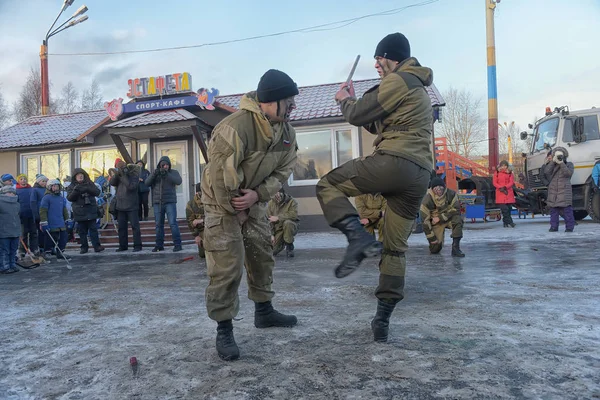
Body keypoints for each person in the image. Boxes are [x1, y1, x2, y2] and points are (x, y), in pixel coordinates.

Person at [316, 33, 433, 343]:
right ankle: (382, 318)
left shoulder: (399, 79)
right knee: (394, 247)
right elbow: (374, 121)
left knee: (328, 184)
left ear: (388, 57)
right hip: (419, 174)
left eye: (378, 60)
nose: (376, 66)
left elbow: (357, 114)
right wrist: (356, 102)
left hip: (395, 162)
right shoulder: (415, 87)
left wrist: (345, 101)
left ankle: (357, 239)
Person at [201, 69, 299, 361]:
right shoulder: (235, 127)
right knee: (226, 265)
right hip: (222, 203)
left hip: (253, 199)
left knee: (261, 256)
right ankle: (224, 328)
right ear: (269, 102)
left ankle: (264, 312)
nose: (293, 107)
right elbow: (220, 177)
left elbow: (285, 170)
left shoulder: (286, 131)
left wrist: (257, 196)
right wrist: (235, 210)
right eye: (288, 101)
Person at [145, 156, 183, 252]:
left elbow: (179, 181)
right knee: (158, 225)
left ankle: (178, 244)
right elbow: (146, 183)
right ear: (160, 165)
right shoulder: (156, 173)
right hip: (158, 202)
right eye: (163, 165)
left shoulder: (173, 172)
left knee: (173, 223)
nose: (165, 166)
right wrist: (154, 174)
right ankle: (159, 245)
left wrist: (167, 174)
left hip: (170, 201)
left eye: (166, 165)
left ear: (169, 165)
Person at [420, 177, 465, 257]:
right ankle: (435, 245)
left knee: (458, 220)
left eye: (441, 188)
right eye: (436, 189)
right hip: (435, 223)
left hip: (448, 219)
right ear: (432, 189)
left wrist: (440, 218)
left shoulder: (451, 194)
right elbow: (425, 221)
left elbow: (456, 209)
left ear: (444, 187)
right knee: (435, 250)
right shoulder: (427, 200)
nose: (439, 190)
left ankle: (455, 247)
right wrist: (432, 239)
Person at [67, 168, 105, 254]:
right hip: (79, 212)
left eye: (82, 175)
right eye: (78, 175)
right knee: (82, 231)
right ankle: (84, 247)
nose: (80, 176)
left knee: (93, 230)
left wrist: (88, 188)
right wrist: (76, 190)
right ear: (75, 177)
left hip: (91, 210)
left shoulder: (90, 183)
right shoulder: (71, 186)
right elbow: (70, 198)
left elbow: (97, 192)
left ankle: (97, 246)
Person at [109, 159, 143, 252]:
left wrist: (124, 176)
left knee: (135, 227)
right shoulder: (119, 176)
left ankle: (137, 245)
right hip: (120, 205)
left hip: (132, 205)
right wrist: (117, 174)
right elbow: (112, 183)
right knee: (121, 228)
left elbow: (131, 186)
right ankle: (123, 245)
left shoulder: (134, 175)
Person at [541, 147, 575, 232]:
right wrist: (553, 161)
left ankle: (569, 227)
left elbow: (568, 173)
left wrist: (561, 163)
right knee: (553, 210)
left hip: (564, 190)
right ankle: (554, 227)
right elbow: (546, 172)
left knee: (567, 211)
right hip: (553, 190)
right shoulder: (552, 165)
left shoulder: (569, 164)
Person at [40, 179, 71, 261]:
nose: (56, 188)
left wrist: (67, 219)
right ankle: (48, 252)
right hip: (51, 222)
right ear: (49, 187)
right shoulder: (46, 198)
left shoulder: (61, 198)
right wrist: (44, 222)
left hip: (60, 222)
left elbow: (64, 210)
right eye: (53, 186)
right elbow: (43, 210)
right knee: (50, 238)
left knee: (63, 237)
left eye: (57, 186)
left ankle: (60, 251)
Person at [267, 188, 299, 257]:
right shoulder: (270, 203)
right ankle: (283, 240)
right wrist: (271, 235)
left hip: (291, 225)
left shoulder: (292, 201)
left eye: (279, 194)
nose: (277, 197)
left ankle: (289, 245)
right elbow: (269, 221)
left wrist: (278, 218)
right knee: (272, 251)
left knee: (287, 223)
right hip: (278, 228)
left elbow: (294, 215)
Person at [16, 174, 39, 258]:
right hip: (21, 215)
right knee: (23, 233)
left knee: (33, 232)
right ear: (18, 181)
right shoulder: (16, 191)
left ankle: (34, 249)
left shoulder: (31, 189)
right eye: (21, 179)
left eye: (25, 179)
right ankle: (22, 250)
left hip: (31, 214)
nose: (23, 180)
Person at [0, 185, 21, 274]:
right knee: (5, 250)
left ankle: (12, 264)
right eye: (9, 192)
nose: (11, 194)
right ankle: (4, 266)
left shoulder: (17, 204)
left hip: (15, 230)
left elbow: (18, 217)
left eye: (13, 192)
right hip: (4, 231)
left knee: (13, 250)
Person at [30, 174, 49, 258]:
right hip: (39, 213)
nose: (44, 183)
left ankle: (48, 247)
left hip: (47, 213)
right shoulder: (35, 190)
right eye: (42, 181)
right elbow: (33, 202)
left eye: (45, 181)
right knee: (41, 232)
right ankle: (41, 248)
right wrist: (36, 215)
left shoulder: (47, 190)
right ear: (38, 182)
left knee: (47, 231)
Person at [493, 160, 516, 228]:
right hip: (500, 193)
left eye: (505, 165)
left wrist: (505, 187)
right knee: (504, 209)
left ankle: (505, 222)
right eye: (502, 165)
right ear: (500, 166)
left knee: (509, 208)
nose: (504, 167)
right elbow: (494, 182)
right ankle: (510, 222)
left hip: (508, 192)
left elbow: (511, 182)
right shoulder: (496, 173)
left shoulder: (510, 173)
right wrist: (500, 187)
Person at [186, 183, 205, 258]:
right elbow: (190, 222)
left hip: (215, 229)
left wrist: (202, 220)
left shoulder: (213, 201)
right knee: (202, 255)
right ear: (197, 193)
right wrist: (196, 236)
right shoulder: (191, 204)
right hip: (202, 231)